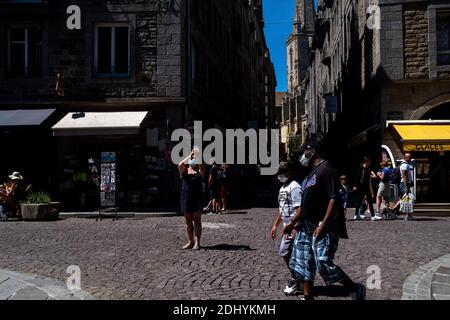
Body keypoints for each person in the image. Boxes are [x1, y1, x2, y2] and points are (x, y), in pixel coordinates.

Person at [282, 139, 366, 300]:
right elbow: (304, 204)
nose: (301, 156)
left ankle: (355, 288)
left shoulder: (327, 169)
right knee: (304, 262)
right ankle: (308, 296)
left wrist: (324, 224)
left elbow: (333, 199)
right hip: (305, 226)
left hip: (323, 226)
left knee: (323, 262)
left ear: (312, 151)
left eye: (303, 152)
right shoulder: (309, 175)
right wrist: (292, 223)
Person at [270, 161, 303, 295]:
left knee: (286, 251)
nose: (279, 176)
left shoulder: (294, 187)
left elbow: (299, 208)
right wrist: (275, 225)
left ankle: (296, 278)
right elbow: (281, 208)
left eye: (282, 174)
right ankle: (297, 277)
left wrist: (293, 224)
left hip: (294, 227)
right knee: (288, 253)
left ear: (289, 173)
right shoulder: (283, 188)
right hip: (286, 226)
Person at [178, 150, 206, 250]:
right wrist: (190, 155)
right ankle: (190, 241)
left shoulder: (199, 173)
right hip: (186, 199)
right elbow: (180, 164)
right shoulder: (183, 172)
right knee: (188, 222)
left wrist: (197, 157)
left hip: (196, 199)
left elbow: (202, 167)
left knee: (197, 221)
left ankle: (197, 243)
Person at [394, 152, 416, 221]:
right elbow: (404, 176)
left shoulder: (404, 164)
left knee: (404, 198)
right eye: (409, 157)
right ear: (406, 158)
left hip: (404, 184)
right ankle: (408, 215)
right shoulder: (404, 165)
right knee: (407, 199)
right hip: (404, 184)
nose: (410, 159)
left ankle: (392, 211)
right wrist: (407, 187)